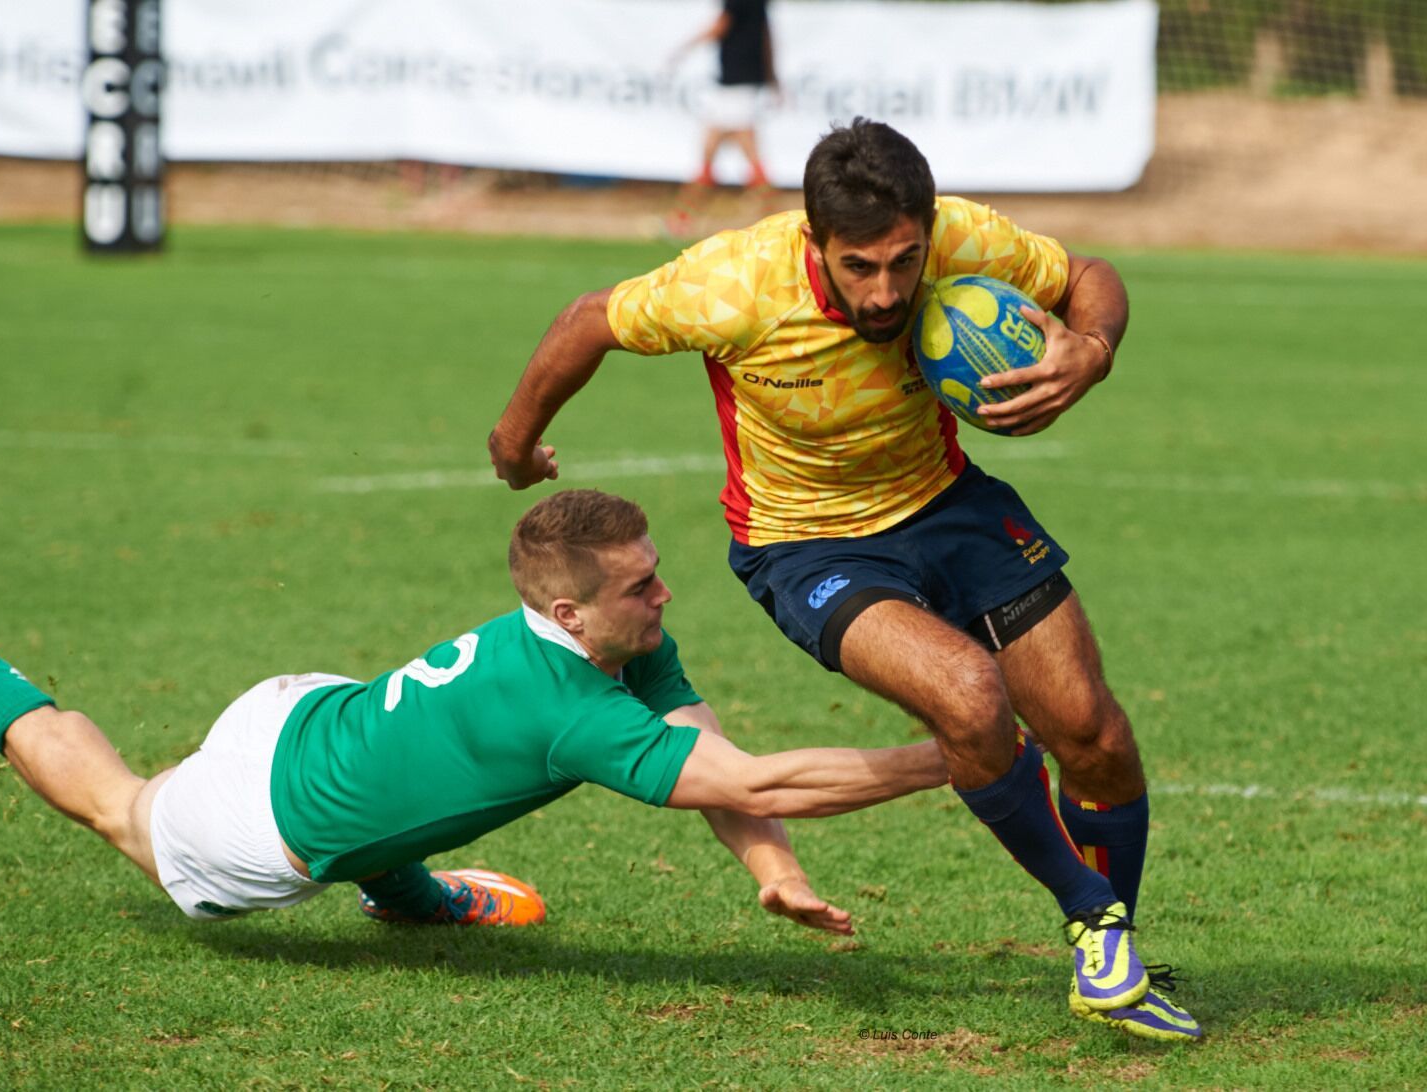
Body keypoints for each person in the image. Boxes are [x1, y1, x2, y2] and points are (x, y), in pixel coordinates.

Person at [487, 119, 1201, 1043]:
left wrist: (1090, 350)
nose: (888, 291)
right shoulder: (735, 282)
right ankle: (1094, 919)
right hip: (806, 545)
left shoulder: (964, 240)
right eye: (860, 267)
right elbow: (591, 318)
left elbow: (1088, 276)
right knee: (970, 697)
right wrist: (513, 442)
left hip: (951, 507)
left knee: (1094, 737)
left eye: (905, 262)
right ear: (816, 241)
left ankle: (1115, 962)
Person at [0, 489, 949, 935]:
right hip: (256, 822)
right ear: (571, 606)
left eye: (655, 574)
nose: (665, 595)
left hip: (298, 709)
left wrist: (776, 875)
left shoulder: (611, 636)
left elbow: (711, 755)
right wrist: (956, 755)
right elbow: (759, 781)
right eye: (642, 585)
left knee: (406, 778)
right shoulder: (570, 709)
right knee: (118, 808)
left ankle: (413, 896)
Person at [671, 0, 775, 191]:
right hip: (741, 81)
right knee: (713, 146)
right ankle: (683, 214)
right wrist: (771, 75)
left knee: (738, 146)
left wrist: (684, 48)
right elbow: (766, 35)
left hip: (735, 82)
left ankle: (683, 215)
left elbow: (720, 26)